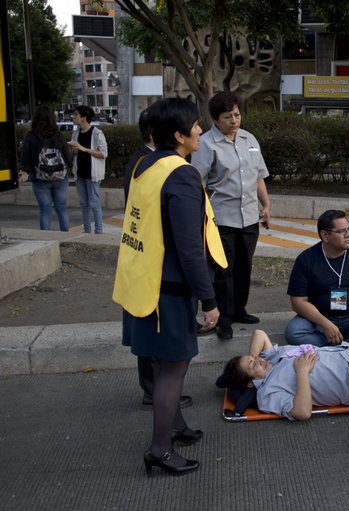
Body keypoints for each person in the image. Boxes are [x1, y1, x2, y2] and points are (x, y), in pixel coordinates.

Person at [112, 98, 227, 476]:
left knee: (163, 364)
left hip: (144, 282)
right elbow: (190, 246)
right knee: (173, 369)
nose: (200, 131)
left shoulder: (144, 164)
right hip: (170, 290)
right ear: (178, 136)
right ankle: (159, 449)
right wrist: (209, 300)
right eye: (194, 126)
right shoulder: (180, 175)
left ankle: (175, 427)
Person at [120, 107, 194, 411]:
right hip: (158, 270)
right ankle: (156, 396)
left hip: (147, 267)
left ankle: (166, 405)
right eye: (194, 126)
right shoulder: (154, 165)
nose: (198, 131)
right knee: (162, 351)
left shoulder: (151, 162)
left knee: (156, 344)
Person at [193, 92, 271, 340]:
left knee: (244, 266)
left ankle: (239, 309)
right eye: (228, 117)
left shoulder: (249, 139)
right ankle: (223, 317)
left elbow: (258, 175)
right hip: (221, 218)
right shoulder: (205, 144)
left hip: (249, 217)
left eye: (237, 115)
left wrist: (266, 205)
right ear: (215, 119)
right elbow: (198, 182)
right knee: (223, 269)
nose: (234, 120)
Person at [220, 329, 349, 420]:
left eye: (254, 357)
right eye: (253, 365)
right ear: (250, 383)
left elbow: (259, 334)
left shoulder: (271, 358)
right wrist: (302, 372)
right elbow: (302, 413)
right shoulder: (268, 394)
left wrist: (254, 358)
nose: (258, 360)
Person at [284, 209, 349, 349]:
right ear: (325, 235)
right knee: (294, 332)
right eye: (341, 231)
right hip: (321, 316)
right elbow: (298, 302)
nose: (348, 235)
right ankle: (346, 345)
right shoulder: (306, 259)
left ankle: (337, 347)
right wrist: (325, 323)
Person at [20, 106, 71, 231]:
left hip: (39, 178)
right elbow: (67, 157)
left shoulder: (30, 136)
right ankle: (65, 236)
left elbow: (24, 159)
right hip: (60, 177)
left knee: (45, 210)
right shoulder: (58, 135)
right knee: (62, 208)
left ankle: (46, 238)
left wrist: (25, 170)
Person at [68, 105, 107, 234]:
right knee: (83, 204)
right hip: (79, 173)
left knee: (94, 203)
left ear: (83, 118)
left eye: (75, 114)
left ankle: (99, 231)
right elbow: (75, 152)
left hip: (93, 174)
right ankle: (86, 230)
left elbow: (103, 153)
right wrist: (73, 149)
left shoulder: (97, 133)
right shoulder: (76, 132)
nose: (73, 117)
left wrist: (83, 148)